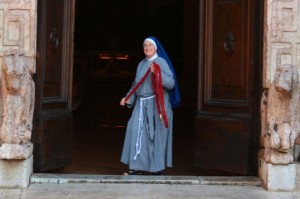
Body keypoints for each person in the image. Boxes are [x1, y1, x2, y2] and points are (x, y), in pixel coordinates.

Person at [120, 36, 180, 175]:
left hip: (158, 105)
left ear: (156, 48)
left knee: (156, 136)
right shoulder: (141, 64)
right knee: (134, 129)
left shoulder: (162, 62)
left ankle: (156, 168)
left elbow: (171, 83)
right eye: (145, 45)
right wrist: (127, 98)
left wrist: (157, 74)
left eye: (150, 45)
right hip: (141, 104)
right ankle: (137, 167)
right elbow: (136, 85)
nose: (147, 48)